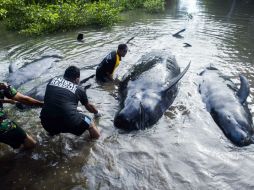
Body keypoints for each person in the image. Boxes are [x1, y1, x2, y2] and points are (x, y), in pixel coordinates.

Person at [40, 66, 100, 139]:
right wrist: (97, 113)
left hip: (45, 122)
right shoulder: (79, 89)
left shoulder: (52, 81)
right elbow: (88, 107)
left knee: (53, 115)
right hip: (68, 123)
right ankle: (95, 143)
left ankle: (51, 136)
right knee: (90, 122)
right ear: (77, 79)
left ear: (64, 75)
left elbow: (56, 100)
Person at [0, 82, 43, 149]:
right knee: (31, 144)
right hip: (2, 125)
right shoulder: (2, 85)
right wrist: (42, 104)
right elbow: (22, 99)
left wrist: (7, 101)